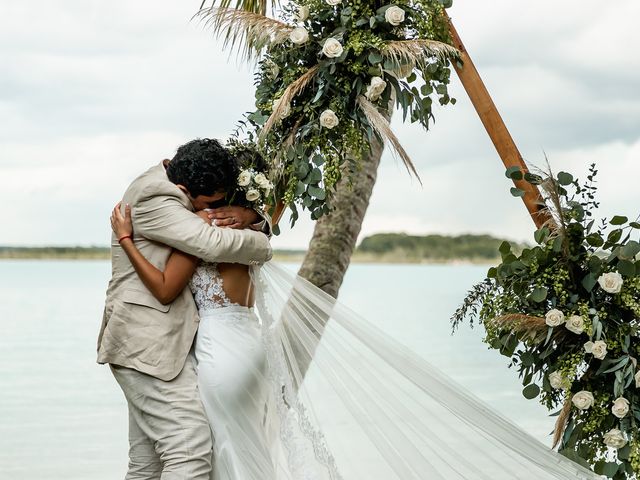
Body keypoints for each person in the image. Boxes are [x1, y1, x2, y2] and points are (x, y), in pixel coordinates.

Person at [109, 143, 602, 480]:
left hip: (219, 354)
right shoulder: (235, 227)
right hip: (247, 345)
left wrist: (126, 239)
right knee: (241, 446)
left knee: (216, 450)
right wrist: (259, 222)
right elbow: (251, 240)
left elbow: (173, 282)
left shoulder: (198, 228)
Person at [97, 138, 272, 480]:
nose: (217, 207)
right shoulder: (158, 199)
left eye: (224, 200)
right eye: (212, 202)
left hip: (171, 346)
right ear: (183, 188)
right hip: (148, 342)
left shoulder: (183, 196)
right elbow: (210, 244)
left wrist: (255, 217)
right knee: (188, 450)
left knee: (153, 461)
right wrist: (263, 239)